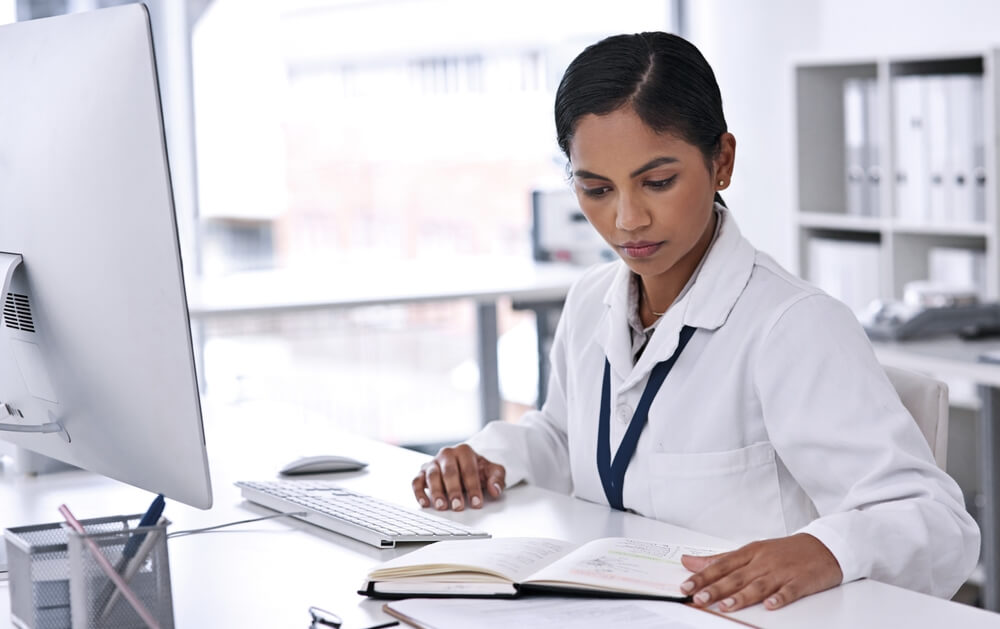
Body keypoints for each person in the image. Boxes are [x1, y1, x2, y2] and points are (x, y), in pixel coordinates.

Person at [410, 31, 980, 612]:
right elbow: (566, 435)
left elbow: (936, 522)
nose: (628, 219)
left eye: (658, 182)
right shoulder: (589, 301)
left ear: (722, 161)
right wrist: (492, 457)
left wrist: (821, 550)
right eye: (597, 189)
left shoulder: (792, 325)